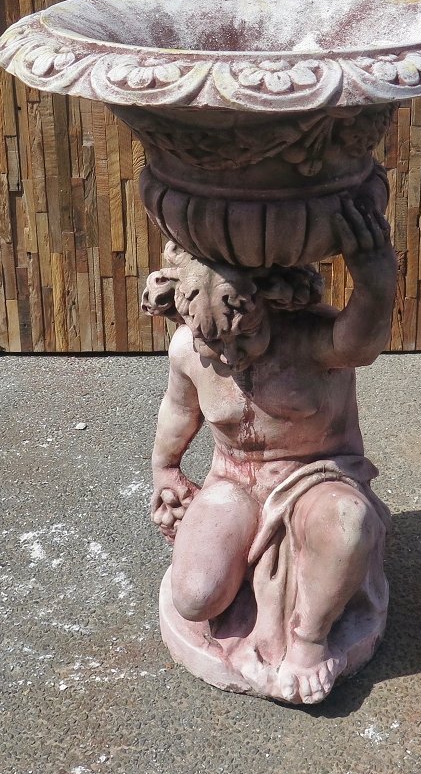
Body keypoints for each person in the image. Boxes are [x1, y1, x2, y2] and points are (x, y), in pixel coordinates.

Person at [141, 196, 397, 704]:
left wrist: (375, 278)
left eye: (246, 335)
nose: (230, 355)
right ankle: (243, 577)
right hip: (234, 481)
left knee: (347, 521)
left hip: (316, 477)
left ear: (272, 306)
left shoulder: (312, 342)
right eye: (213, 341)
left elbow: (362, 340)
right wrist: (165, 468)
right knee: (195, 597)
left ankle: (309, 640)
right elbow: (179, 410)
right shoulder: (189, 351)